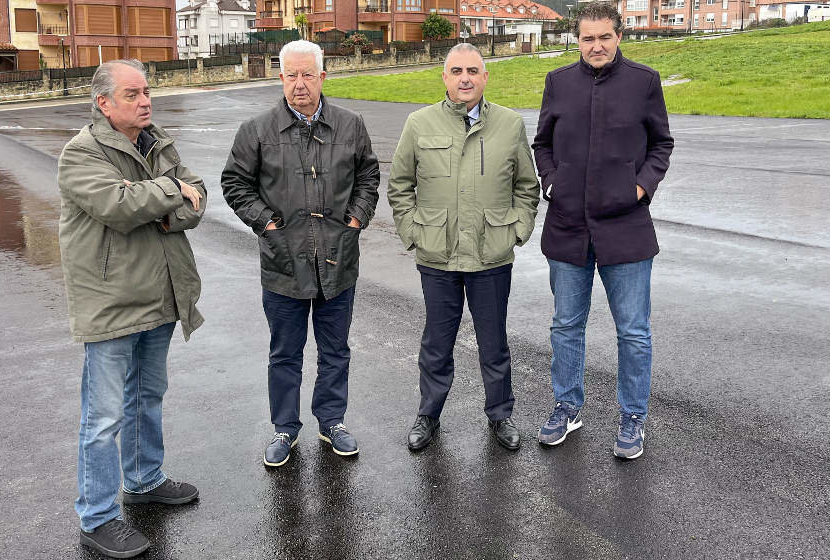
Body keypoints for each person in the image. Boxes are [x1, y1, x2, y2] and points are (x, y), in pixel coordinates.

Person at [57, 59, 206, 558]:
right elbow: (119, 207)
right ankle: (97, 517)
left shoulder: (157, 141)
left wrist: (168, 206)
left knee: (147, 397)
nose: (145, 101)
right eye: (131, 94)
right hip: (112, 304)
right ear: (103, 103)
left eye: (146, 92)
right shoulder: (81, 153)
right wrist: (170, 192)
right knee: (102, 418)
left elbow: (198, 196)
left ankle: (143, 480)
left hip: (160, 296)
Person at [221, 40, 380, 468]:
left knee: (335, 349)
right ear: (280, 78)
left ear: (323, 76)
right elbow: (235, 183)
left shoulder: (350, 125)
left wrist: (355, 221)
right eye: (291, 75)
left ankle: (332, 421)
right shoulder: (257, 131)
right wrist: (267, 224)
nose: (299, 84)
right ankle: (284, 428)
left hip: (337, 260)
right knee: (285, 352)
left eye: (307, 74)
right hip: (283, 262)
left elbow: (368, 176)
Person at [532, 1, 674, 459]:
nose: (596, 45)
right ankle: (567, 407)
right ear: (577, 40)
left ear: (619, 36)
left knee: (633, 331)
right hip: (568, 226)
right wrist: (552, 181)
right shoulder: (558, 83)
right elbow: (542, 143)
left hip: (627, 227)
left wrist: (640, 188)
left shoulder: (644, 82)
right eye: (587, 38)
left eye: (604, 37)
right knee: (565, 325)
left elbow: (661, 144)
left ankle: (633, 416)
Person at [387, 43, 540, 452]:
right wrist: (414, 232)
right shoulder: (419, 124)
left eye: (473, 70)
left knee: (494, 343)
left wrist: (516, 231)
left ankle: (501, 414)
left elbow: (528, 187)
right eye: (456, 71)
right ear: (445, 78)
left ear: (486, 77)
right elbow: (400, 185)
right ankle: (428, 414)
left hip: (491, 256)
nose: (465, 78)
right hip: (437, 255)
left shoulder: (509, 124)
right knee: (436, 343)